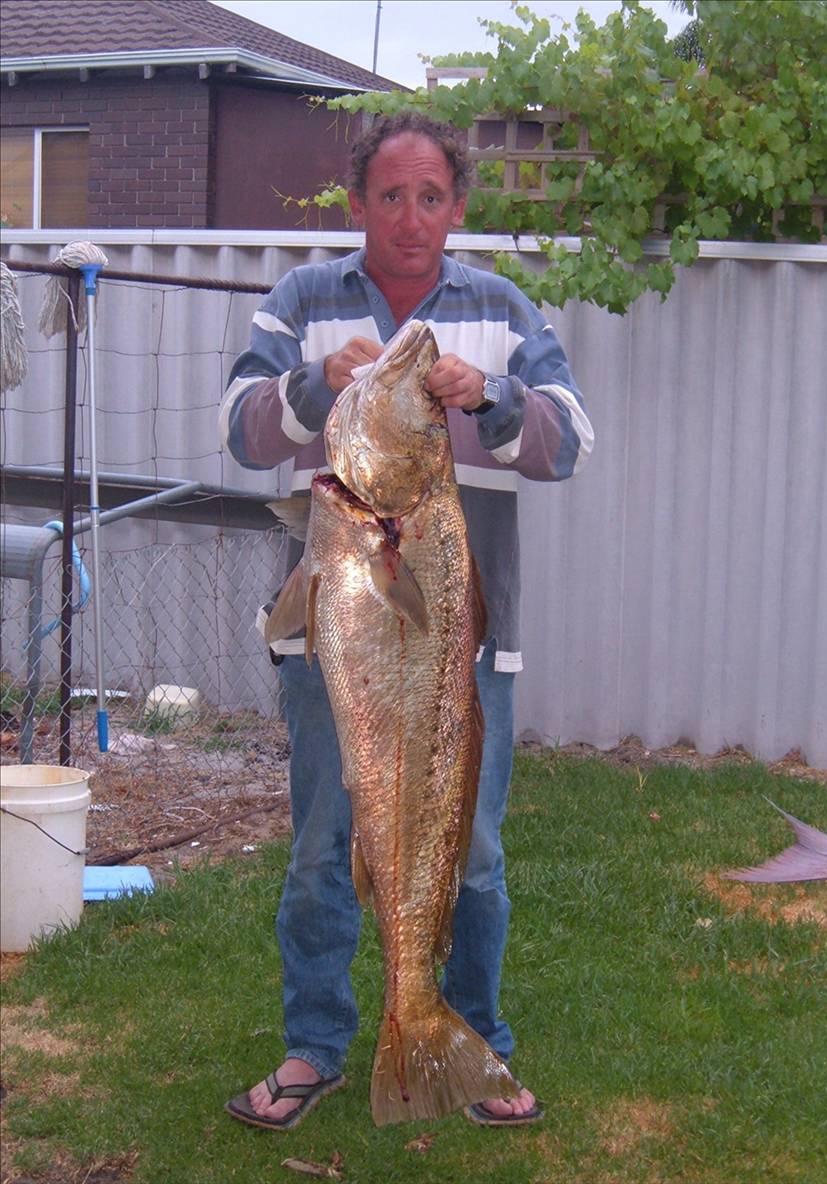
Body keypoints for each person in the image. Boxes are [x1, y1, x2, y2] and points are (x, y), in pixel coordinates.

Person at [220, 112, 593, 1130]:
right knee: (322, 849)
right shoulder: (301, 302)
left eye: (432, 197)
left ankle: (471, 1041)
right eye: (392, 196)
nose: (412, 217)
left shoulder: (502, 309)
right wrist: (313, 386)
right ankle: (315, 1046)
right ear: (359, 203)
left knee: (471, 854)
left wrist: (496, 398)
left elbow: (570, 442)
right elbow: (240, 429)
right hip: (330, 650)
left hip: (467, 657)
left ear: (457, 206)